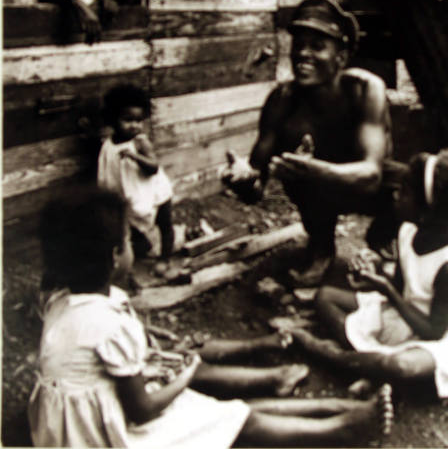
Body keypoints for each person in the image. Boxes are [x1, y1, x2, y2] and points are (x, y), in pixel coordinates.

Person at [29, 186, 394, 448]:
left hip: (76, 424)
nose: (130, 250)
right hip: (111, 435)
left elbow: (98, 349)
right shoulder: (108, 324)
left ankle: (336, 406)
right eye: (126, 242)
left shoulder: (62, 300)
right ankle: (340, 430)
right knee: (236, 420)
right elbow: (143, 411)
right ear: (114, 257)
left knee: (218, 412)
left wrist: (157, 347)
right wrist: (188, 371)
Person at [290, 148, 448, 401]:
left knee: (400, 366)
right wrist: (372, 279)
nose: (396, 195)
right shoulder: (408, 230)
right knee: (325, 297)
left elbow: (434, 331)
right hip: (409, 312)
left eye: (405, 192)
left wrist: (385, 290)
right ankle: (371, 368)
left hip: (445, 337)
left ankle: (326, 354)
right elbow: (401, 287)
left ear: (427, 211)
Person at [224, 0, 398, 286]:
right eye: (298, 46)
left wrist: (314, 169)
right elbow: (257, 188)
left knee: (408, 186)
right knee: (301, 179)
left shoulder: (365, 89)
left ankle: (384, 244)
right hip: (320, 190)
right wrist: (243, 182)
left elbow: (371, 174)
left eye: (317, 46)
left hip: (370, 185)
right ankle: (321, 248)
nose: (303, 54)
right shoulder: (281, 101)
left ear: (340, 57)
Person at [98, 84, 174, 260]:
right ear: (113, 119)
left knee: (165, 225)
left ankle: (165, 259)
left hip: (155, 191)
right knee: (129, 224)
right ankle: (143, 247)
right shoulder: (109, 144)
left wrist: (135, 157)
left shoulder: (140, 142)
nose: (134, 126)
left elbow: (153, 167)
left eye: (139, 121)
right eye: (128, 120)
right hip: (130, 192)